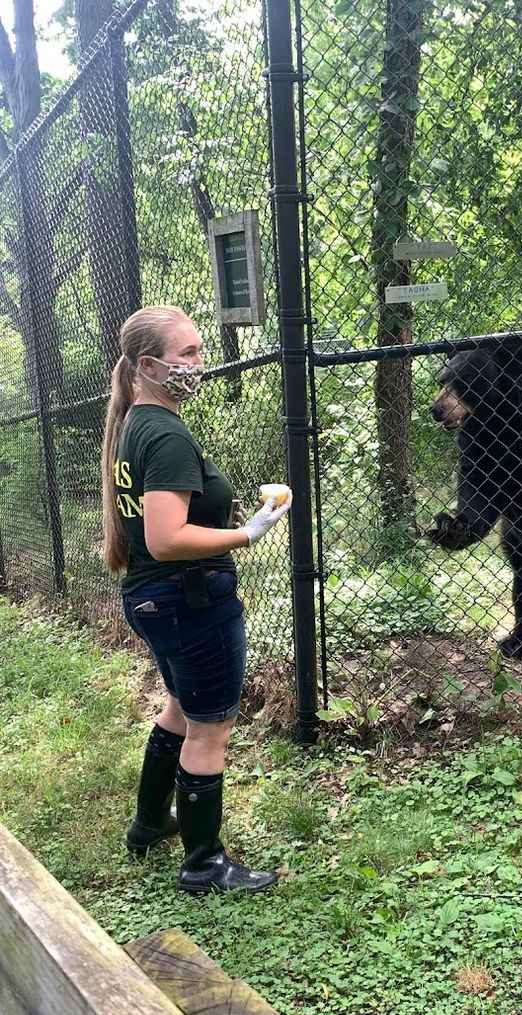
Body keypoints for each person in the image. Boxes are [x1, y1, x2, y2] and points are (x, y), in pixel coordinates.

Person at [100, 305, 292, 895]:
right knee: (210, 728)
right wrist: (249, 532)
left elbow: (164, 525)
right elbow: (165, 537)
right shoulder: (164, 432)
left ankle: (151, 822)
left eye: (200, 352)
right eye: (186, 354)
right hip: (189, 599)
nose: (197, 365)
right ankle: (204, 864)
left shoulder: (136, 421)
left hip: (156, 598)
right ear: (147, 364)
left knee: (182, 709)